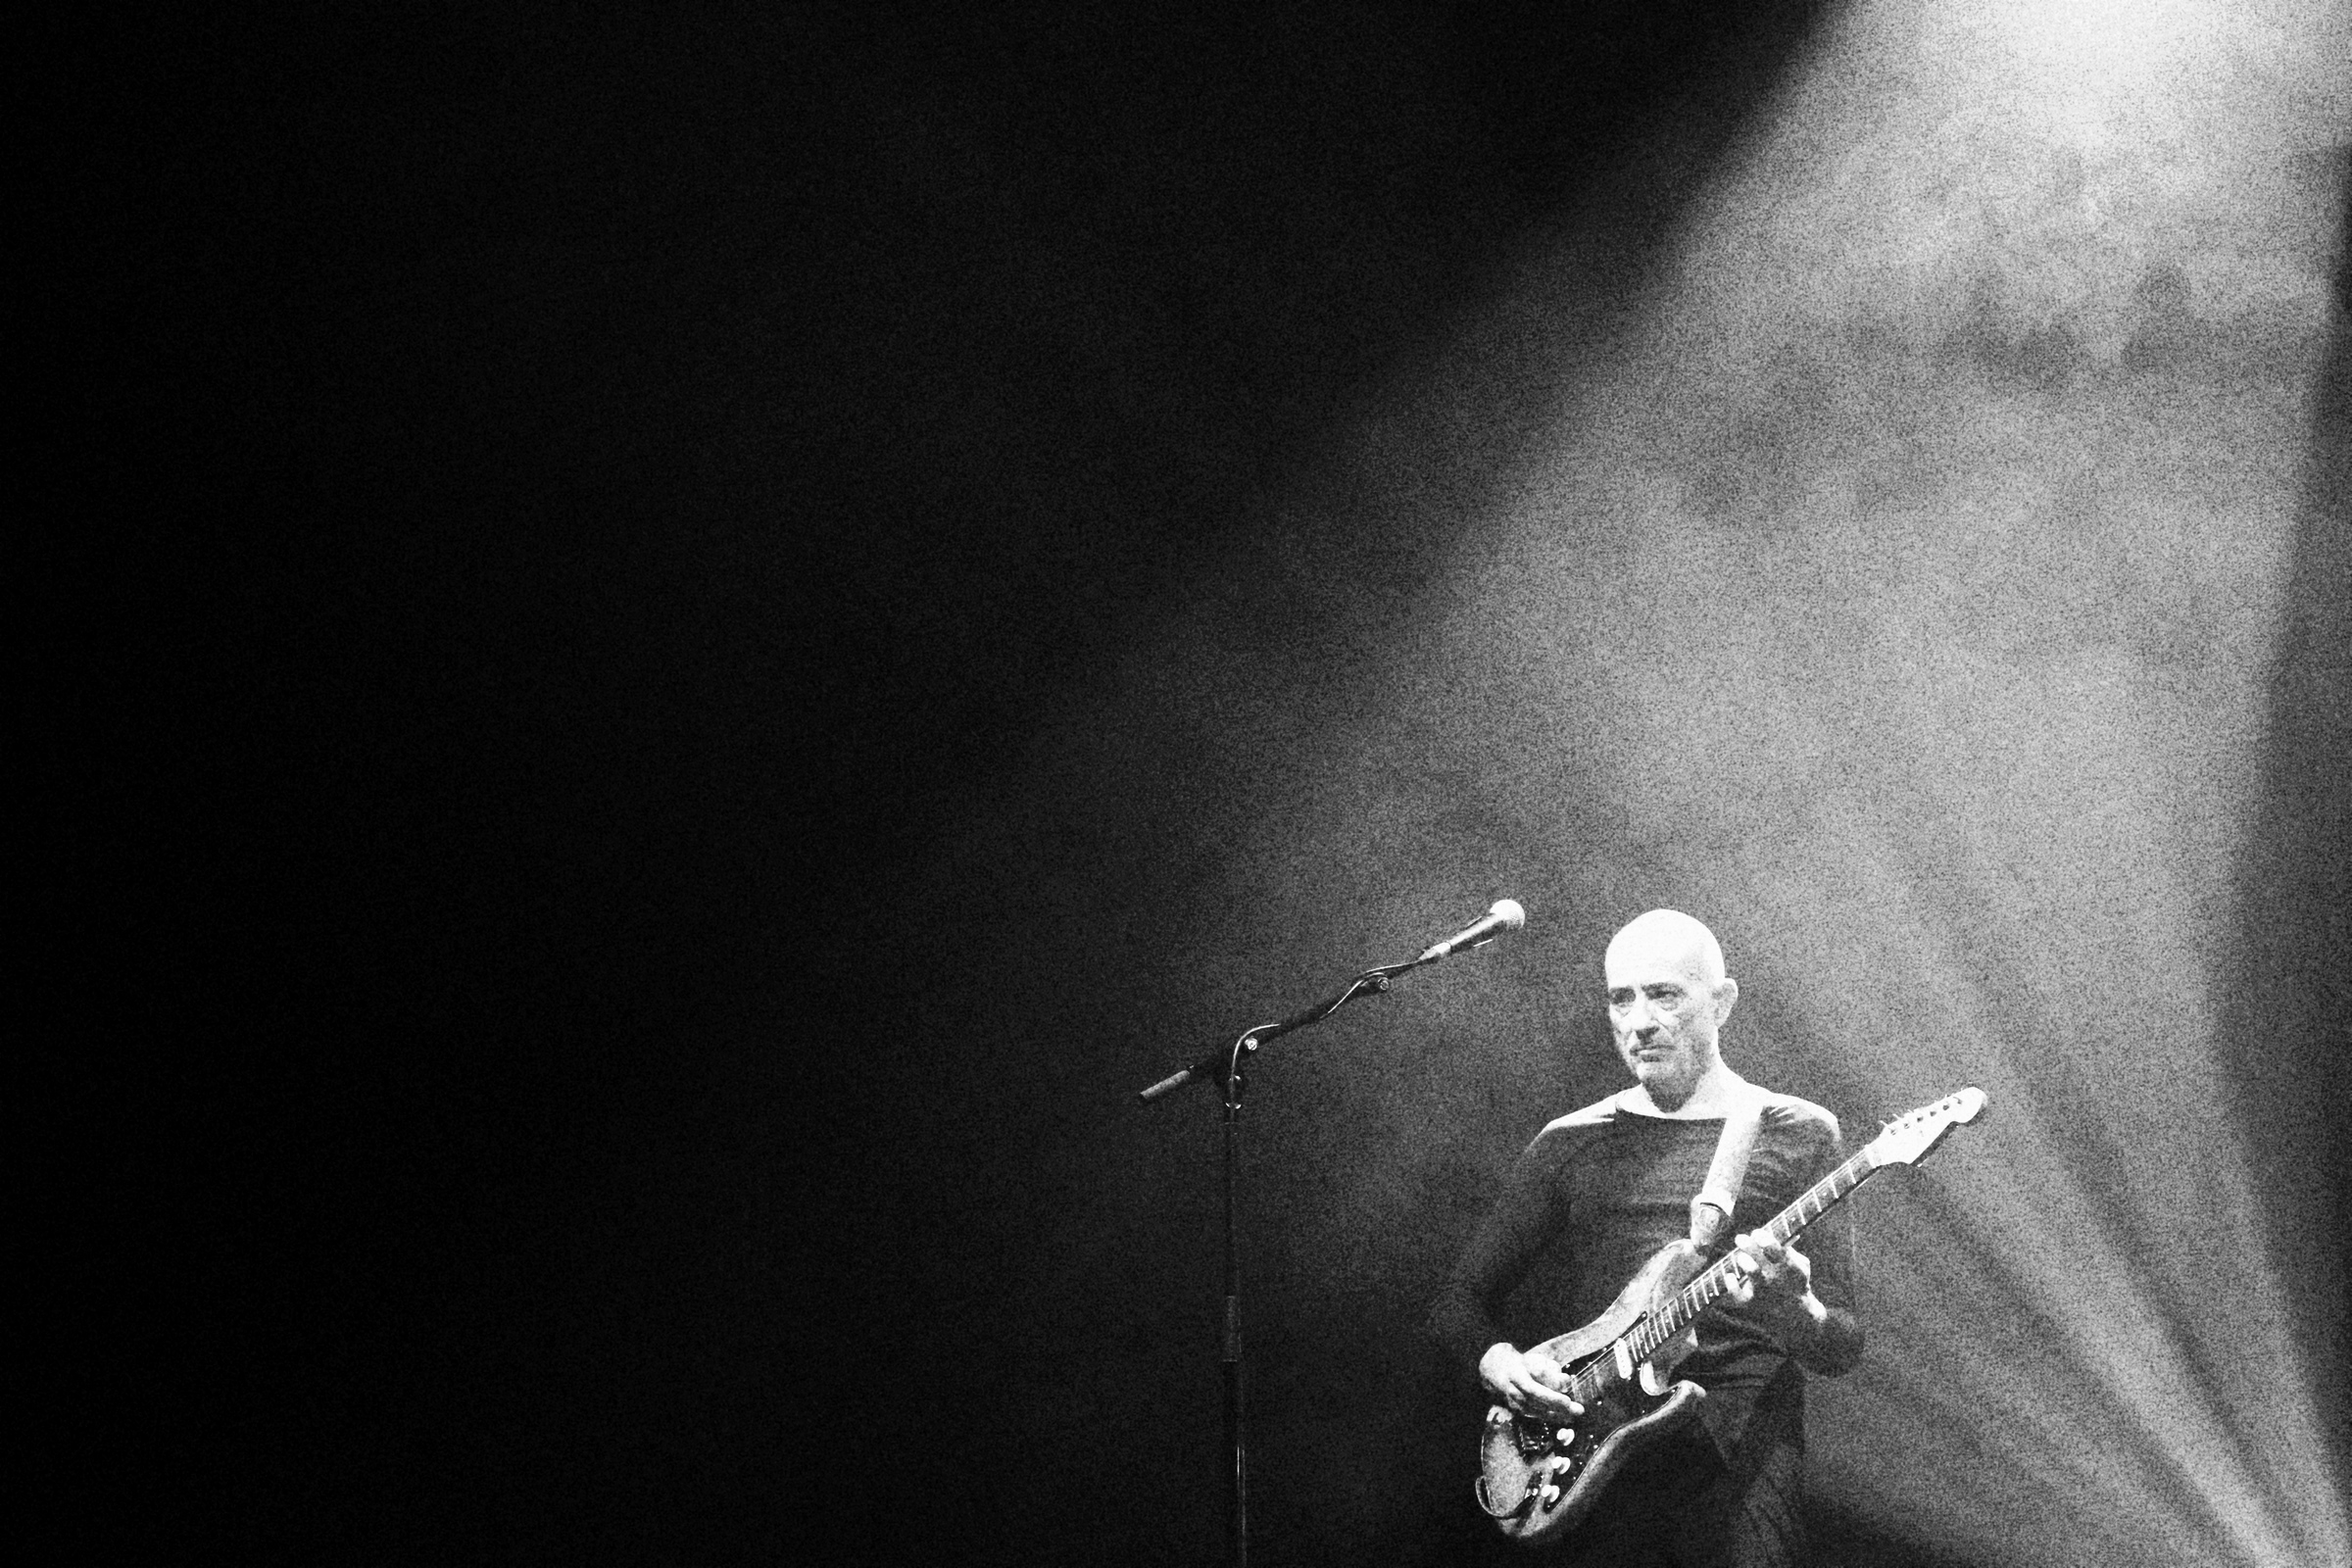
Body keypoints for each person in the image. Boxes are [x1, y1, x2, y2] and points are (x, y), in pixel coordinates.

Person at [1430, 908, 1861, 1566]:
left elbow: (1843, 1345)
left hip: (1739, 1458)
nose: (1639, 1021)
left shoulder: (1799, 1132)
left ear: (1722, 1003)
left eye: (1664, 995)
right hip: (1595, 1452)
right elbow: (1456, 1301)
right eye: (1621, 999)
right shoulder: (1571, 1140)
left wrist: (1796, 1308)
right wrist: (1502, 1366)